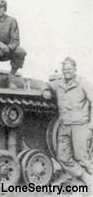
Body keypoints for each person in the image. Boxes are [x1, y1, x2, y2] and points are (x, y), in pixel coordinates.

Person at [45, 57, 93, 186]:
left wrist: (92, 123)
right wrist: (46, 91)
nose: (67, 72)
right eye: (65, 69)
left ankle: (90, 180)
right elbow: (47, 85)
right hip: (64, 126)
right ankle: (84, 177)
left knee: (81, 157)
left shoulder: (83, 83)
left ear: (75, 70)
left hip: (80, 125)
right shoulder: (59, 84)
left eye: (69, 69)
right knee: (63, 157)